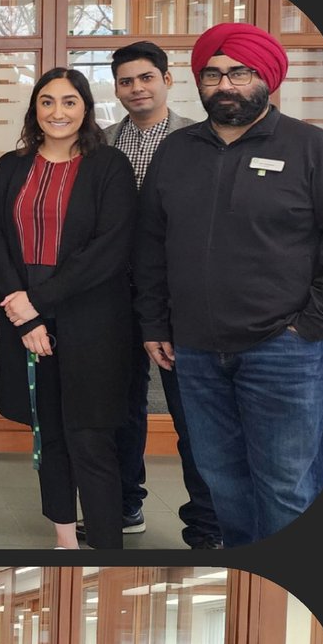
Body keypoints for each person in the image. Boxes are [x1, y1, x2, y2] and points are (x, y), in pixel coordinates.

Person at [134, 23, 323, 546]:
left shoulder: (314, 149)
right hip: (195, 353)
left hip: (284, 349)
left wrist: (311, 324)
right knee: (223, 483)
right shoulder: (176, 151)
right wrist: (156, 322)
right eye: (212, 74)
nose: (224, 84)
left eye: (239, 72)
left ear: (266, 78)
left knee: (287, 487)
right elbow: (150, 247)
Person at [0, 67, 137, 550]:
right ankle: (66, 543)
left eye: (69, 102)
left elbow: (110, 249)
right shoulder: (10, 166)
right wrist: (25, 315)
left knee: (90, 437)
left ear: (86, 109)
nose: (58, 112)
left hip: (92, 319)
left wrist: (39, 301)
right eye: (47, 102)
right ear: (35, 111)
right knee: (48, 433)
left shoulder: (109, 165)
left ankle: (108, 543)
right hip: (23, 315)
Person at [93, 40, 221, 551]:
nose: (136, 88)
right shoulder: (101, 143)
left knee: (192, 414)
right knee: (120, 408)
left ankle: (207, 526)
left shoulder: (202, 138)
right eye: (126, 81)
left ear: (168, 79)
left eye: (146, 78)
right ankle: (126, 503)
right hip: (112, 294)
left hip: (178, 297)